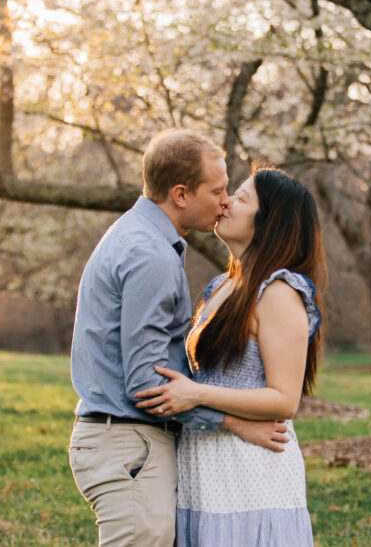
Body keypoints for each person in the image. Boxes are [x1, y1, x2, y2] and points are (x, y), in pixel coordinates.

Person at [67, 130, 291, 547]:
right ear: (182, 194)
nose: (225, 200)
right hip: (128, 442)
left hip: (125, 441)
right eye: (219, 189)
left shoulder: (146, 239)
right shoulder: (150, 254)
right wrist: (234, 423)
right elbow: (147, 386)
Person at [133, 165, 326, 546]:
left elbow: (284, 399)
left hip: (251, 470)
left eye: (242, 197)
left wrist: (199, 394)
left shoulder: (278, 293)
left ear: (269, 222)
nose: (226, 202)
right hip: (204, 464)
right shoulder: (222, 285)